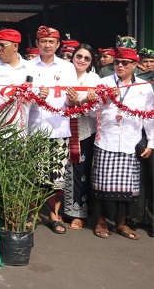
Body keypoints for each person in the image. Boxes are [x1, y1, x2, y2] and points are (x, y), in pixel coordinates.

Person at [90, 37, 153, 240]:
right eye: (117, 62)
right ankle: (100, 222)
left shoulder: (144, 87)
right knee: (101, 186)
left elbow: (149, 116)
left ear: (135, 65)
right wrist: (104, 99)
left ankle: (121, 224)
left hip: (129, 141)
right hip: (106, 139)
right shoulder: (103, 83)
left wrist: (151, 143)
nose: (119, 66)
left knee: (127, 189)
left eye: (125, 63)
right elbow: (91, 113)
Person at [26, 26, 78, 235]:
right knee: (32, 174)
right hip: (33, 128)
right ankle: (31, 213)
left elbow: (71, 97)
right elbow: (22, 94)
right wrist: (37, 96)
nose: (47, 45)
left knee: (56, 176)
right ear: (37, 44)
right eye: (43, 41)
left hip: (58, 128)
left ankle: (54, 215)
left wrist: (72, 99)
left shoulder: (67, 68)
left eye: (51, 42)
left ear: (58, 45)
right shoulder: (27, 66)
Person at [63, 44, 100, 230]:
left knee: (81, 171)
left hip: (84, 131)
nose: (82, 60)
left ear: (91, 62)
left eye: (87, 58)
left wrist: (83, 100)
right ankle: (59, 211)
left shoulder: (93, 79)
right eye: (79, 56)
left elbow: (95, 112)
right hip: (61, 128)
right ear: (72, 57)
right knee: (61, 170)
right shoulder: (63, 73)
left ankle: (78, 213)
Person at [132, 47, 154, 237]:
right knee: (140, 179)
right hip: (145, 132)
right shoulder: (145, 81)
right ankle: (137, 218)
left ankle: (152, 221)